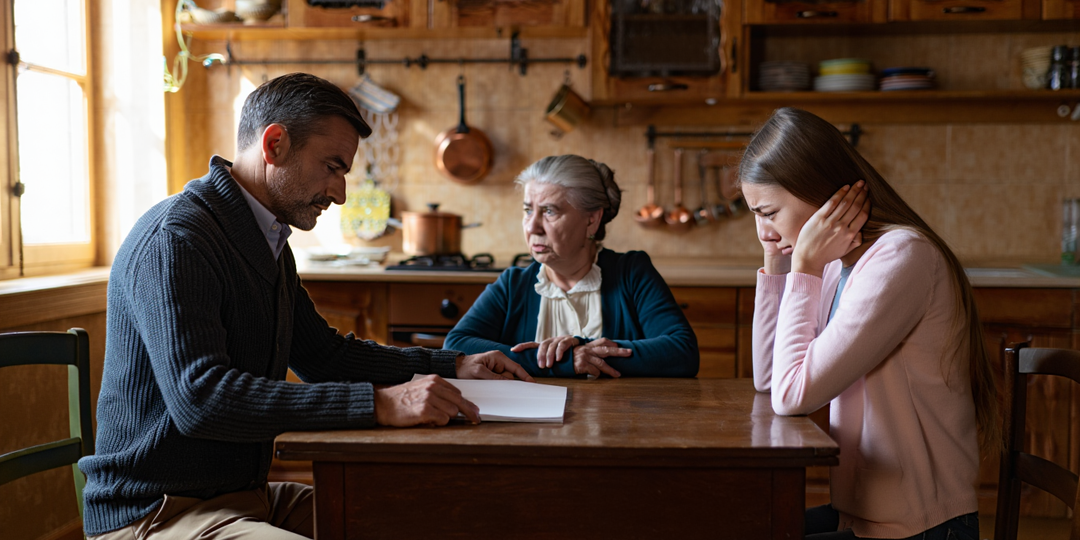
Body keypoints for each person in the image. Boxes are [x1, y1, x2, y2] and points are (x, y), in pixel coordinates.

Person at [78, 73, 532, 540]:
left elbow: (324, 356)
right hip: (156, 511)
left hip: (242, 496)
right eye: (332, 167)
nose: (340, 193)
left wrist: (454, 363)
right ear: (274, 144)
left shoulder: (266, 239)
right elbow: (202, 399)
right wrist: (376, 404)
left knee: (430, 520)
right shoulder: (178, 238)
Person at [742, 107, 997, 540]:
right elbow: (769, 379)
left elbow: (791, 395)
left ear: (820, 192)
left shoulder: (901, 257)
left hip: (923, 526)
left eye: (769, 212)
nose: (762, 229)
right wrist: (779, 259)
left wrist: (801, 264)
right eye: (754, 214)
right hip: (861, 515)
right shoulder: (835, 265)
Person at [444, 154, 698, 378]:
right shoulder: (513, 285)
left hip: (616, 424)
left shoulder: (632, 273)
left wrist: (586, 352)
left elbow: (682, 352)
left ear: (592, 220)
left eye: (550, 212)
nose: (532, 227)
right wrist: (565, 361)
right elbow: (456, 345)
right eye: (527, 210)